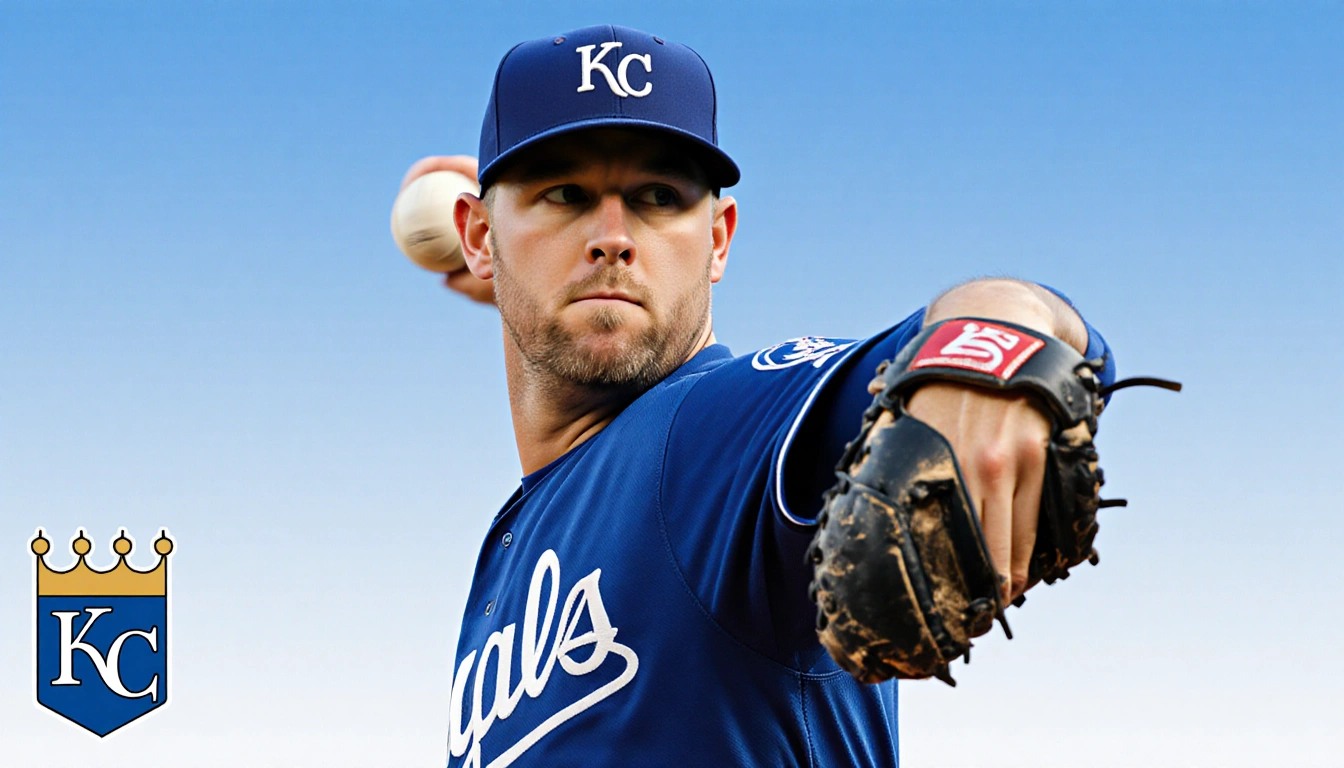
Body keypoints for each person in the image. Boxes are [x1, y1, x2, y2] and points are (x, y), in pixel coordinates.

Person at [404, 25, 1114, 768]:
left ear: (718, 240)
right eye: (564, 194)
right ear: (479, 238)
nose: (613, 237)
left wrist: (987, 351)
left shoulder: (714, 434)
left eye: (656, 197)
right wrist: (541, 304)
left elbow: (1006, 313)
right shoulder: (528, 520)